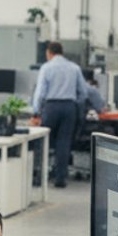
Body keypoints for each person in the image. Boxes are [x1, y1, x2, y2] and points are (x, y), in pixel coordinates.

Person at [29, 42, 89, 189]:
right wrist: (74, 103)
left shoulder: (47, 67)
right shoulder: (74, 68)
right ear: (62, 52)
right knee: (64, 143)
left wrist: (36, 111)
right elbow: (84, 93)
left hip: (51, 106)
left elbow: (40, 92)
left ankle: (39, 177)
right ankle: (60, 179)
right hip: (69, 107)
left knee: (42, 141)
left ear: (49, 53)